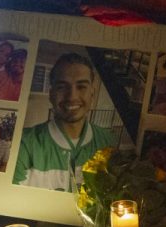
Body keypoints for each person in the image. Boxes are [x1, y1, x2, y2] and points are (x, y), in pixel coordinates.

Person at [13, 52, 116, 191]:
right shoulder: (24, 143)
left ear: (92, 93)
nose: (72, 97)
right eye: (62, 87)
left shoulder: (108, 142)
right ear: (51, 94)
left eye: (81, 87)